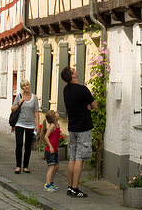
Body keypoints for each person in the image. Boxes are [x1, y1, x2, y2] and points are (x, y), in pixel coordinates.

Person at [61, 66, 95, 198]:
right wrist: (89, 106)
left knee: (72, 158)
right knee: (80, 158)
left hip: (72, 127)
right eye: (73, 69)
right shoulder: (82, 89)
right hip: (83, 128)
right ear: (73, 75)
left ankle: (70, 187)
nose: (75, 69)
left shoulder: (66, 90)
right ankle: (75, 188)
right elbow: (95, 105)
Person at [11, 79, 40, 174]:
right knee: (19, 144)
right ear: (22, 88)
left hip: (30, 124)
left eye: (27, 85)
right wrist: (20, 102)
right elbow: (12, 109)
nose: (26, 87)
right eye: (24, 86)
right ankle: (18, 166)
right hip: (20, 123)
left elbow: (36, 111)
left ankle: (26, 166)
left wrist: (37, 124)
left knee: (28, 146)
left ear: (29, 85)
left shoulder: (34, 98)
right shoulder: (19, 96)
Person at [39, 109, 62, 192]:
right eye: (56, 113)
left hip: (54, 150)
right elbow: (46, 136)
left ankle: (51, 183)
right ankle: (47, 184)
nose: (57, 113)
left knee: (56, 166)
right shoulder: (53, 126)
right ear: (54, 117)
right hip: (50, 150)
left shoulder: (57, 125)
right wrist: (51, 146)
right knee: (52, 167)